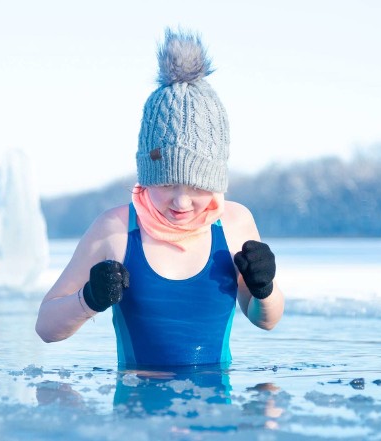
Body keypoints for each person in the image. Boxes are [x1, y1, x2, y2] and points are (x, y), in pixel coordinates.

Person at [35, 28, 284, 367]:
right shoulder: (116, 229)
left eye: (196, 186)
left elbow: (266, 320)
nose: (181, 202)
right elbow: (46, 327)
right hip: (137, 409)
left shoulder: (236, 223)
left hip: (217, 410)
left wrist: (264, 288)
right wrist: (88, 299)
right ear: (147, 176)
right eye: (166, 183)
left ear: (214, 180)